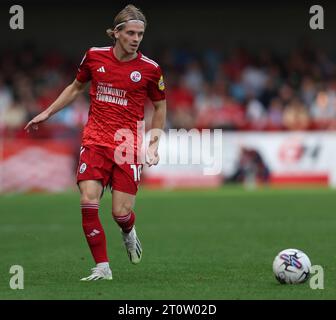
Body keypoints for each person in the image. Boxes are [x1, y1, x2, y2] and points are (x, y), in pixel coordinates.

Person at [24, 4, 167, 281]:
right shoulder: (94, 56)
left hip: (128, 145)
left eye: (141, 34)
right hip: (95, 140)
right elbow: (76, 87)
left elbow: (160, 108)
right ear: (116, 33)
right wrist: (47, 113)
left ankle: (128, 231)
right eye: (131, 33)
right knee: (88, 200)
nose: (136, 39)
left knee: (120, 213)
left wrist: (153, 144)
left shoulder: (150, 69)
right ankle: (102, 267)